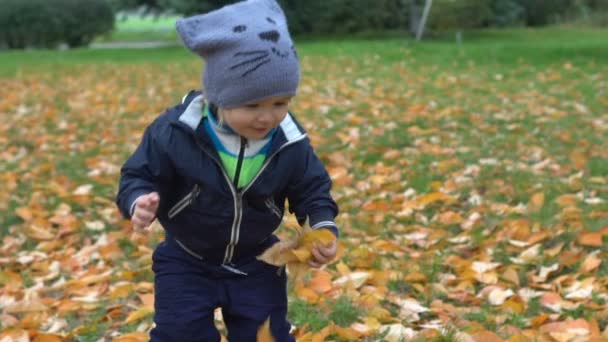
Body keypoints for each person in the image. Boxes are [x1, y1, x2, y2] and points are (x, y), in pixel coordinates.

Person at [115, 0, 339, 340]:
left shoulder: (289, 141)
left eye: (280, 103)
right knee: (180, 334)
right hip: (186, 259)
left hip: (259, 260)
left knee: (267, 335)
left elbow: (312, 187)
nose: (267, 117)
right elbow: (138, 174)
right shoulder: (176, 132)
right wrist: (138, 201)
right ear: (219, 96)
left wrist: (322, 225)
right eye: (252, 105)